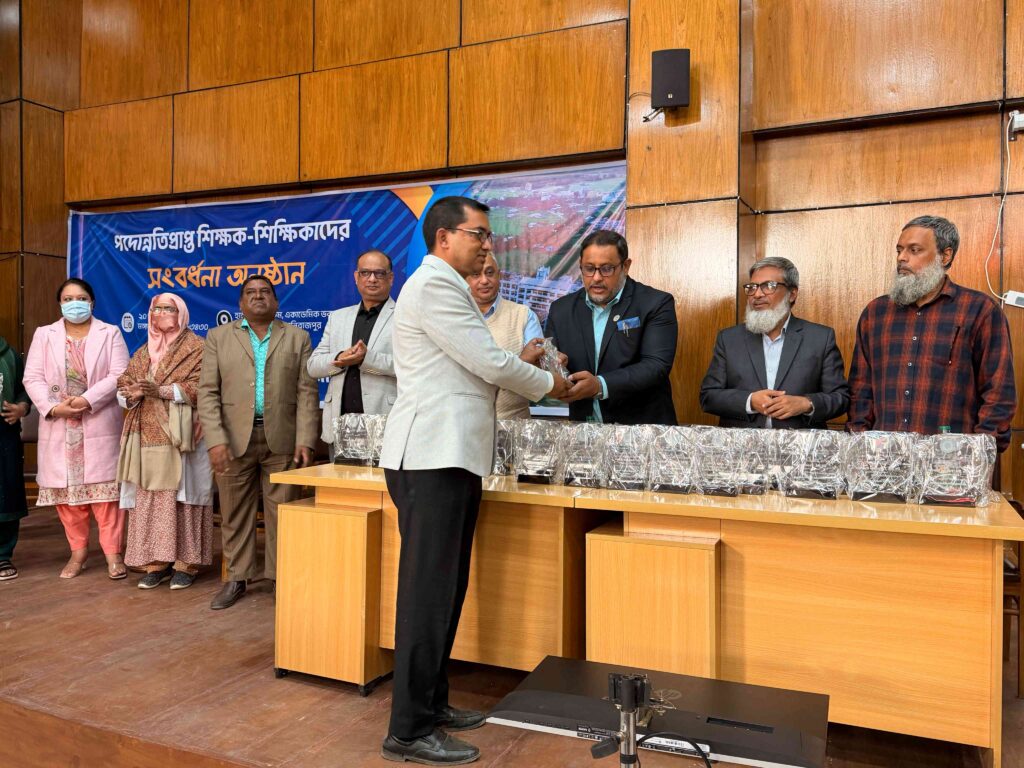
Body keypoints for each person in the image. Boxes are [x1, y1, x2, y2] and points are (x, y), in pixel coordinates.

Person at [379, 196, 569, 765]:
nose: (487, 244)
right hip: (430, 456)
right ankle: (408, 730)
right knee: (426, 596)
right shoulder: (434, 285)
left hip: (452, 455)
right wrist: (552, 385)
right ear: (444, 238)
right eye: (478, 234)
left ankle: (432, 703)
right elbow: (489, 361)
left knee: (445, 589)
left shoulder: (448, 285)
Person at [198, 275, 319, 610]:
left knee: (284, 513)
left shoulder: (297, 337)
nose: (258, 296)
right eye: (250, 293)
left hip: (282, 439)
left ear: (276, 301)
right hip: (232, 441)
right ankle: (237, 578)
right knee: (235, 513)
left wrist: (306, 439)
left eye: (265, 292)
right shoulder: (218, 337)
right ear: (240, 303)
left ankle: (282, 577)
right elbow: (207, 393)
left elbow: (307, 393)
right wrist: (215, 440)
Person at [847, 215, 1016, 449]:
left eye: (914, 250)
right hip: (885, 460)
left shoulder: (980, 310)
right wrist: (860, 445)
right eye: (899, 250)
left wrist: (976, 454)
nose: (902, 258)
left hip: (950, 461)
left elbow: (998, 393)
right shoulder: (876, 313)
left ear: (945, 256)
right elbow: (860, 391)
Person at [23, 278, 130, 579]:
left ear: (92, 302)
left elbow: (119, 374)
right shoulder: (44, 334)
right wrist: (53, 408)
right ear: (60, 304)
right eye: (68, 299)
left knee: (106, 497)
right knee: (69, 498)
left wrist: (86, 399)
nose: (75, 304)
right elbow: (32, 377)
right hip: (59, 423)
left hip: (98, 418)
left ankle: (113, 554)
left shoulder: (110, 333)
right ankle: (78, 553)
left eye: (81, 298)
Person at [117, 293, 212, 590]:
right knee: (152, 498)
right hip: (147, 436)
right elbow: (124, 384)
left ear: (181, 313)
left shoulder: (198, 347)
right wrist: (130, 393)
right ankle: (156, 562)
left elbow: (205, 387)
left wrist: (160, 390)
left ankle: (186, 563)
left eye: (168, 309)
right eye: (156, 308)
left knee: (185, 498)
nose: (161, 313)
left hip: (185, 435)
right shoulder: (143, 352)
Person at [544, 229, 678, 425]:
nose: (596, 277)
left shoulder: (655, 303)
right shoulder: (561, 309)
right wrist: (555, 365)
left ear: (625, 266)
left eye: (606, 269)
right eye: (589, 268)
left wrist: (600, 385)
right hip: (584, 430)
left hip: (642, 430)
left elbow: (656, 366)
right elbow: (553, 359)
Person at [700, 257, 849, 428]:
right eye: (752, 287)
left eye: (769, 286)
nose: (757, 294)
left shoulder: (820, 338)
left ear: (792, 294)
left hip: (800, 444)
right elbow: (708, 396)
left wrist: (806, 404)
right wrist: (749, 401)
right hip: (740, 444)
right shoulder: (729, 339)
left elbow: (841, 398)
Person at [307, 249, 397, 453]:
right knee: (340, 475)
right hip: (341, 425)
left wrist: (367, 358)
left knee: (382, 476)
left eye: (379, 273)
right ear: (356, 277)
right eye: (365, 273)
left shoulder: (404, 316)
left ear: (391, 278)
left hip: (385, 424)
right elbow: (313, 366)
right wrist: (339, 358)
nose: (372, 279)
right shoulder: (338, 317)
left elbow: (412, 366)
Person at [466, 252, 547, 419]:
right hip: (464, 425)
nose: (484, 280)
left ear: (499, 275)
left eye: (489, 273)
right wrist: (522, 362)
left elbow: (537, 379)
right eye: (476, 274)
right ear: (464, 279)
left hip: (514, 426)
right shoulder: (454, 317)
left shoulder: (524, 316)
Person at [0, 336, 31, 581]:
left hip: (4, 433)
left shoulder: (9, 354)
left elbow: (23, 390)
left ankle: (2, 554)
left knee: (7, 493)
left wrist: (21, 408)